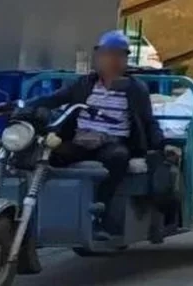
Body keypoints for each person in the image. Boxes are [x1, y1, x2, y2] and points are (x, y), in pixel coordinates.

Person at [23, 30, 164, 237]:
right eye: (106, 55)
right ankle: (38, 213)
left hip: (112, 142)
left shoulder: (135, 89)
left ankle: (101, 213)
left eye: (117, 55)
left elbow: (148, 120)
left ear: (125, 60)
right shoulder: (84, 84)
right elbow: (53, 99)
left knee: (118, 158)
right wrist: (20, 105)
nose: (111, 61)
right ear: (98, 57)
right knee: (44, 156)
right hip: (81, 140)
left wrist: (161, 144)